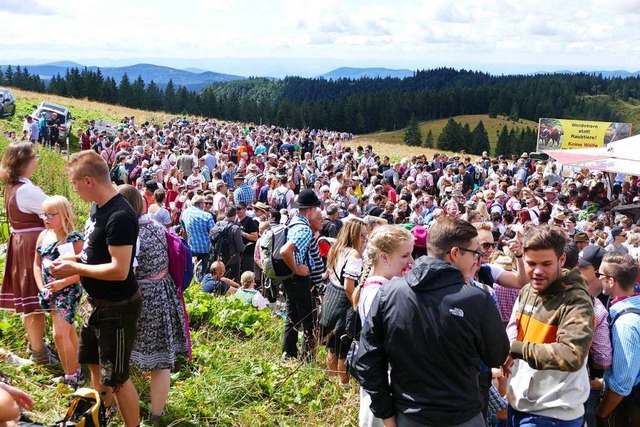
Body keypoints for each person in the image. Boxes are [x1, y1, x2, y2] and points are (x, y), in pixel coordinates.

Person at [354, 217, 509, 427]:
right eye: (476, 253)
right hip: (462, 416)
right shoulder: (477, 299)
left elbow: (368, 361)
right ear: (455, 253)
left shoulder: (388, 293)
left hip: (410, 415)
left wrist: (387, 416)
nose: (478, 260)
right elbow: (496, 355)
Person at [49, 150, 142, 427]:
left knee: (118, 378)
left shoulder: (120, 216)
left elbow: (119, 270)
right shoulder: (97, 208)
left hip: (118, 308)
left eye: (76, 183)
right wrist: (74, 259)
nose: (74, 189)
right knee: (94, 364)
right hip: (96, 303)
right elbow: (94, 255)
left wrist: (75, 269)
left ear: (89, 181)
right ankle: (99, 417)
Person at [505, 224, 595, 427]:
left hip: (553, 413)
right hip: (519, 404)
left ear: (561, 260)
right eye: (531, 263)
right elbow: (517, 332)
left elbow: (572, 355)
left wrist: (516, 349)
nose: (537, 271)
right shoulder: (527, 290)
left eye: (546, 264)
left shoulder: (576, 300)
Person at [117, 185, 188, 423]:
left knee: (120, 354)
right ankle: (157, 413)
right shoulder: (156, 225)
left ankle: (122, 407)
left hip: (138, 296)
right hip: (163, 292)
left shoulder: (129, 232)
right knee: (161, 360)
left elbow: (125, 271)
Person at [351, 224, 414, 427]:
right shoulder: (380, 293)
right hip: (383, 386)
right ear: (384, 257)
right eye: (405, 256)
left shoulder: (379, 287)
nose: (411, 261)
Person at [0, 141, 54, 365]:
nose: (37, 161)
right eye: (35, 157)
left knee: (28, 301)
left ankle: (36, 346)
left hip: (21, 243)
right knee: (34, 302)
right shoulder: (27, 190)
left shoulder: (12, 186)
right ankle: (39, 352)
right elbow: (56, 208)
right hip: (31, 246)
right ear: (24, 162)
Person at [33, 196, 84, 388]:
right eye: (43, 214)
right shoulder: (44, 235)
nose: (46, 218)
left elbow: (83, 271)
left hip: (68, 290)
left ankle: (71, 376)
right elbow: (36, 266)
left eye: (51, 215)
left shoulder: (73, 238)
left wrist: (61, 284)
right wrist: (42, 288)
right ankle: (76, 367)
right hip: (50, 291)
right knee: (68, 331)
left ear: (63, 215)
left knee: (59, 334)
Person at [319, 219, 366, 387]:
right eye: (362, 235)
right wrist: (357, 304)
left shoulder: (336, 249)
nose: (365, 239)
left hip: (331, 298)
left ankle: (332, 382)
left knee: (331, 345)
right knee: (343, 350)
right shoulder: (354, 255)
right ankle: (343, 387)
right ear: (354, 235)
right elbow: (348, 286)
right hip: (344, 303)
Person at [596, 253, 640, 425]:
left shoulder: (625, 324)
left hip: (626, 408)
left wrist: (601, 414)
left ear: (611, 281)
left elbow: (622, 384)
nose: (597, 279)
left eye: (600, 275)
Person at [280, 189, 322, 361]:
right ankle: (307, 359)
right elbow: (285, 250)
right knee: (308, 320)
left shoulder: (293, 222)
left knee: (292, 318)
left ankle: (288, 354)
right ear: (310, 209)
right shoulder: (304, 229)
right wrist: (297, 268)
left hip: (292, 280)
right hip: (300, 280)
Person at [180, 195, 215, 277]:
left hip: (191, 247)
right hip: (205, 249)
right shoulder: (206, 215)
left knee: (191, 273)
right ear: (200, 204)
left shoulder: (185, 213)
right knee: (206, 274)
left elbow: (184, 231)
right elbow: (214, 233)